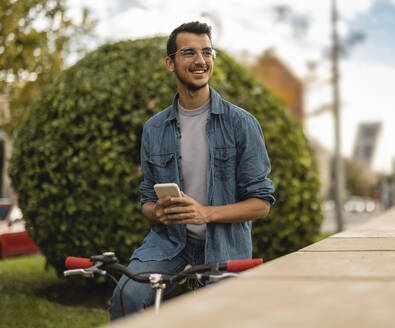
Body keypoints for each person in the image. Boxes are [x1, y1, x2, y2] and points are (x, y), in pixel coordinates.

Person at [109, 21, 275, 320]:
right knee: (126, 296)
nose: (200, 61)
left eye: (207, 52)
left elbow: (261, 204)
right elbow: (147, 197)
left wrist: (206, 214)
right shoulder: (154, 128)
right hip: (170, 242)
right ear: (170, 63)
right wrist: (155, 212)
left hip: (224, 245)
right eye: (189, 52)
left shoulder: (241, 124)